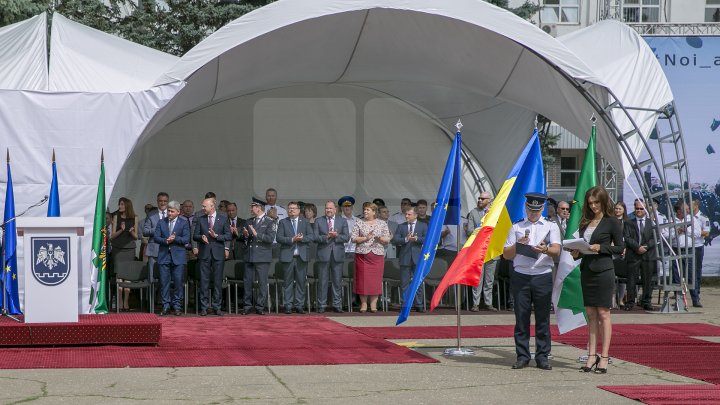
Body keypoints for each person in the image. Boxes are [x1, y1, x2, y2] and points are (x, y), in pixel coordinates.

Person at [503, 193, 561, 371]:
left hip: (542, 275)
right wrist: (518, 245)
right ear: (526, 208)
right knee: (521, 317)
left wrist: (545, 250)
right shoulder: (517, 226)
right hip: (521, 275)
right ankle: (522, 356)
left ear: (542, 209)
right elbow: (506, 254)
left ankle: (542, 356)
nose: (533, 213)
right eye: (530, 209)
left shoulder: (551, 226)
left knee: (542, 318)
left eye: (537, 210)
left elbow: (557, 250)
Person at [570, 186, 624, 374]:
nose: (593, 206)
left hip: (603, 271)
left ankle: (605, 356)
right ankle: (591, 355)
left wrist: (600, 248)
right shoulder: (585, 222)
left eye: (596, 203)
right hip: (587, 270)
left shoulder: (612, 222)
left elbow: (619, 248)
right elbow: (583, 248)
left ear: (603, 201)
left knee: (603, 313)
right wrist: (577, 252)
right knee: (590, 314)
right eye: (590, 203)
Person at [193, 197, 231, 316]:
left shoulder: (223, 219)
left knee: (217, 281)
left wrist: (216, 236)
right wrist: (201, 237)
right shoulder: (200, 219)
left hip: (218, 253)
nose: (203, 208)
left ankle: (217, 306)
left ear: (212, 206)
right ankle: (204, 307)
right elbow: (195, 235)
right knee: (204, 281)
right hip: (204, 253)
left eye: (205, 206)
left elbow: (228, 236)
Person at [351, 202, 391, 313]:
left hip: (377, 255)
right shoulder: (359, 222)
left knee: (375, 280)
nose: (365, 211)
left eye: (368, 210)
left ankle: (373, 304)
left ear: (374, 212)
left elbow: (387, 239)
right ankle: (363, 304)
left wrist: (380, 239)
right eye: (364, 210)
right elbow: (353, 238)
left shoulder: (382, 223)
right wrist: (365, 238)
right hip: (362, 256)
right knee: (362, 279)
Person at [277, 201, 315, 314]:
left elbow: (311, 236)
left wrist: (302, 239)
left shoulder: (305, 222)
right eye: (289, 208)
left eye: (293, 208)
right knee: (288, 282)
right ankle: (288, 305)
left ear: (299, 210)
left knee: (301, 282)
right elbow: (279, 238)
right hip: (288, 256)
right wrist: (292, 240)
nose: (291, 210)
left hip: (301, 257)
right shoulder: (283, 222)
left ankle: (299, 305)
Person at [153, 200, 190, 316]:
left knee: (178, 282)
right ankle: (165, 306)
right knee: (164, 283)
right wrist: (165, 240)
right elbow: (156, 237)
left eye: (172, 211)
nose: (169, 213)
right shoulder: (161, 222)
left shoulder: (184, 223)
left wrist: (175, 239)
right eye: (168, 211)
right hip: (164, 256)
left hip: (178, 257)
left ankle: (177, 306)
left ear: (178, 212)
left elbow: (186, 239)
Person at [316, 201, 350, 313]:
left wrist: (336, 236)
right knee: (323, 281)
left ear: (335, 209)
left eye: (330, 208)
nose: (328, 210)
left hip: (337, 255)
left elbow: (346, 237)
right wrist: (326, 236)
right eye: (326, 208)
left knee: (337, 281)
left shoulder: (342, 220)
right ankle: (322, 304)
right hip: (323, 254)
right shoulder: (319, 221)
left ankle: (337, 304)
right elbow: (315, 237)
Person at [467, 191, 498, 312]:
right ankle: (476, 304)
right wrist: (483, 232)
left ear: (489, 200)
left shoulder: (495, 212)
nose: (479, 200)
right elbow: (469, 231)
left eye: (482, 198)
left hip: (491, 250)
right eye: (479, 198)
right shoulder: (473, 213)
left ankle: (488, 303)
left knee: (489, 279)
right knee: (477, 278)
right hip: (477, 251)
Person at [391, 207, 427, 312]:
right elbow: (395, 240)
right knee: (404, 283)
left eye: (409, 214)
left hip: (418, 257)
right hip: (405, 257)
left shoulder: (423, 225)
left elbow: (428, 239)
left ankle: (419, 304)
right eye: (406, 214)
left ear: (415, 215)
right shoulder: (401, 226)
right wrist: (406, 239)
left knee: (418, 282)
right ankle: (406, 305)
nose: (406, 216)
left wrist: (416, 239)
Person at [624, 199, 657, 311]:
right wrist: (637, 247)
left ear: (645, 209)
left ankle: (646, 301)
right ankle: (630, 302)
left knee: (647, 280)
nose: (639, 210)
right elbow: (627, 238)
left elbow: (655, 238)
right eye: (637, 208)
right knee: (631, 280)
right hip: (633, 254)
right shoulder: (628, 222)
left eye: (641, 208)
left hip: (648, 255)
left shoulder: (651, 222)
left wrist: (645, 247)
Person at [110, 197, 139, 311]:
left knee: (128, 276)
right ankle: (120, 301)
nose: (120, 206)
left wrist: (131, 231)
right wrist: (121, 230)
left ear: (127, 205)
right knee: (119, 276)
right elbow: (112, 236)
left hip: (130, 249)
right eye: (119, 204)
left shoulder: (135, 218)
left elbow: (136, 237)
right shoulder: (116, 217)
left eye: (121, 204)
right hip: (118, 249)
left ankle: (126, 301)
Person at [143, 192, 170, 288]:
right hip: (154, 249)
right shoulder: (151, 214)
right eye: (160, 201)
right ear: (157, 202)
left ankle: (163, 300)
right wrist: (158, 229)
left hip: (168, 250)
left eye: (165, 201)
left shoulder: (172, 213)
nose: (162, 203)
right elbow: (145, 231)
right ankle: (151, 301)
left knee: (166, 277)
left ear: (168, 202)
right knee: (152, 278)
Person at [690, 199, 710, 307]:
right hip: (687, 246)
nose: (689, 206)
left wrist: (694, 232)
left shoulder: (703, 217)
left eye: (691, 204)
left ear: (696, 206)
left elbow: (706, 232)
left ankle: (696, 295)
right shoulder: (687, 216)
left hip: (697, 247)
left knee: (696, 271)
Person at [613, 201, 630, 308]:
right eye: (616, 208)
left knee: (622, 277)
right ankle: (612, 299)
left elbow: (628, 237)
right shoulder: (610, 221)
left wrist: (624, 248)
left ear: (624, 210)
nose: (617, 210)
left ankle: (621, 299)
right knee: (613, 276)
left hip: (623, 251)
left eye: (619, 209)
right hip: (612, 250)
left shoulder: (627, 222)